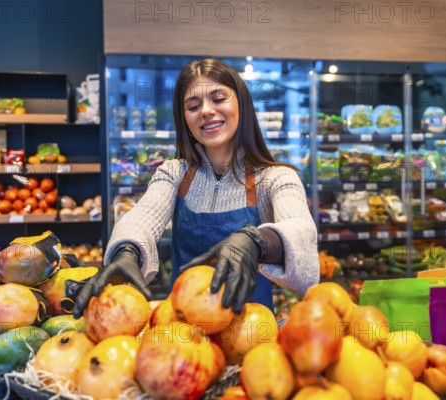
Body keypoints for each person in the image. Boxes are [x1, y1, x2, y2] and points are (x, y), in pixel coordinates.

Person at [72, 58, 319, 318]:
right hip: (182, 329)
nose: (206, 111)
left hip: (250, 333)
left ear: (242, 105)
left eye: (219, 98)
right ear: (185, 120)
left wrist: (257, 240)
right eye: (193, 105)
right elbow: (143, 216)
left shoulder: (275, 178)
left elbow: (300, 229)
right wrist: (127, 249)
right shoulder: (174, 173)